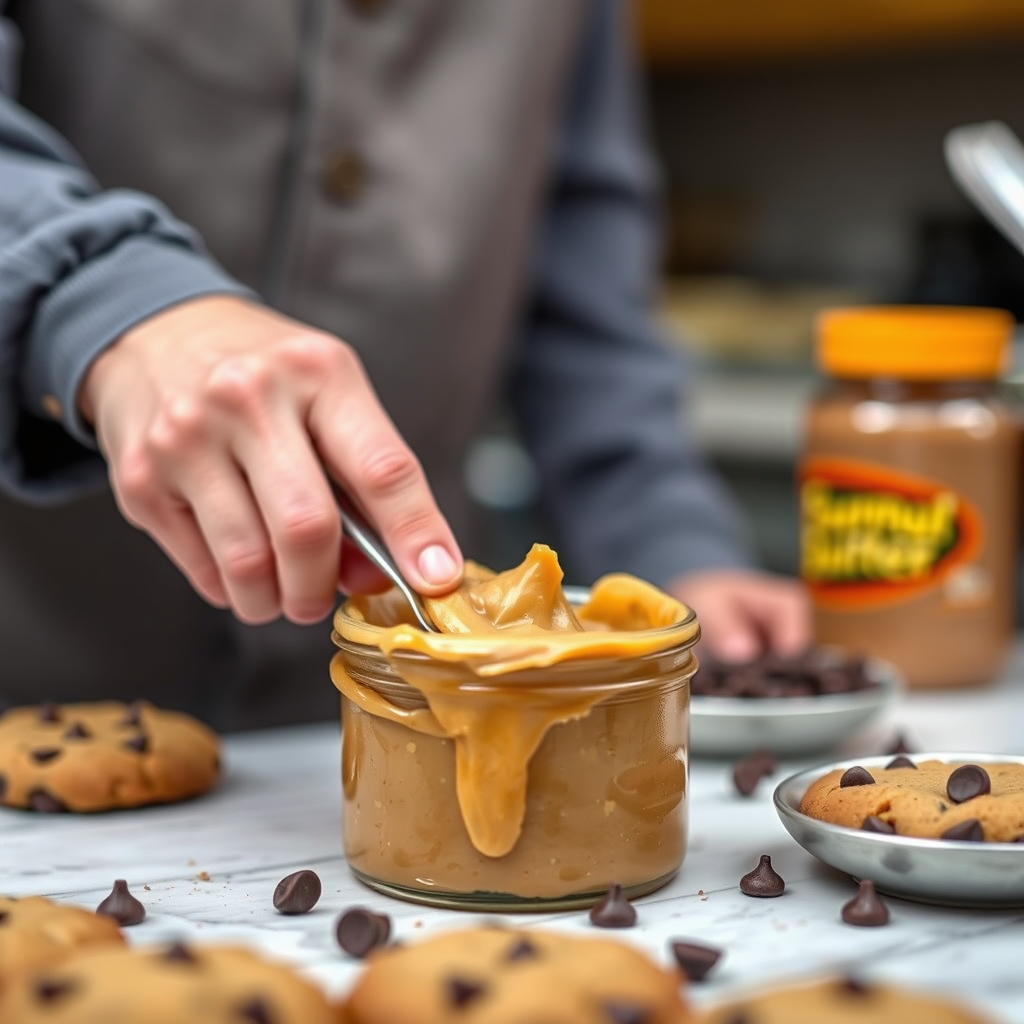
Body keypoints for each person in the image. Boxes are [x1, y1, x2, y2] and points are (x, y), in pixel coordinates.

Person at [0, 0, 807, 730]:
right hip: (40, 670)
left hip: (394, 724)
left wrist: (673, 548)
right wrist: (106, 300)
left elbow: (583, 304)